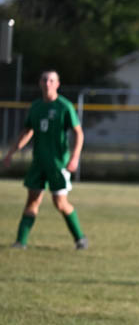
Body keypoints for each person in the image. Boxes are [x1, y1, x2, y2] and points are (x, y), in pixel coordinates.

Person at [2, 70, 88, 250]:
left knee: (60, 203)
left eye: (51, 80)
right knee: (32, 200)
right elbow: (27, 132)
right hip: (39, 162)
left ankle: (80, 239)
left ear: (57, 84)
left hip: (58, 164)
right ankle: (20, 242)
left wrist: (74, 157)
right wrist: (11, 152)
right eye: (44, 80)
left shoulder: (64, 106)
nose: (47, 83)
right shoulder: (36, 107)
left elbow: (78, 133)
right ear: (40, 83)